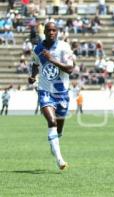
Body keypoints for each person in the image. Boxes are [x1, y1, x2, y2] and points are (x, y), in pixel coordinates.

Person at [28, 21, 74, 170]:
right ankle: (60, 160)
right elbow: (35, 64)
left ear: (57, 32)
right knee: (52, 122)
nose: (51, 32)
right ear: (45, 32)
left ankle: (54, 144)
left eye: (54, 30)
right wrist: (33, 76)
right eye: (49, 30)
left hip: (62, 93)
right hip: (45, 91)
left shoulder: (64, 47)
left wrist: (51, 59)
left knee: (58, 129)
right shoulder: (38, 49)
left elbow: (70, 69)